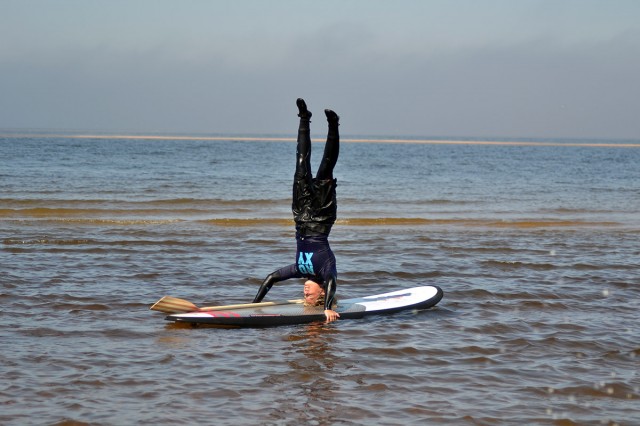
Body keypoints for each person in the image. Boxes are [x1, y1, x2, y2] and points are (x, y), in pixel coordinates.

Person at [252, 98, 341, 323]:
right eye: (310, 296)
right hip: (322, 217)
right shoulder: (326, 270)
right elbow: (332, 282)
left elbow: (271, 278)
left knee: (301, 164)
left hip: (300, 215)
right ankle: (333, 125)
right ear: (321, 292)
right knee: (325, 168)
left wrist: (253, 306)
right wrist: (328, 308)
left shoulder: (299, 269)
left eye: (305, 297)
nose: (305, 293)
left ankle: (304, 118)